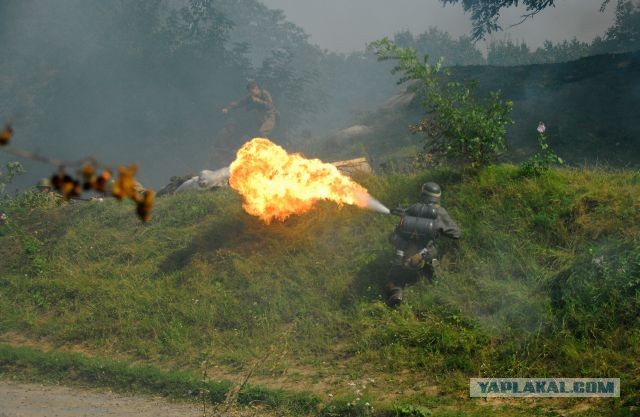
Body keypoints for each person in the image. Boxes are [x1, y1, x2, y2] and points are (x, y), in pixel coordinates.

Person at [385, 182, 461, 307]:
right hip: (423, 256)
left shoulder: (413, 208)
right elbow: (456, 234)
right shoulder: (440, 212)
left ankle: (396, 292)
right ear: (437, 197)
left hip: (403, 256)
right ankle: (433, 278)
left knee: (393, 277)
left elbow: (395, 235)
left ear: (423, 195)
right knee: (431, 252)